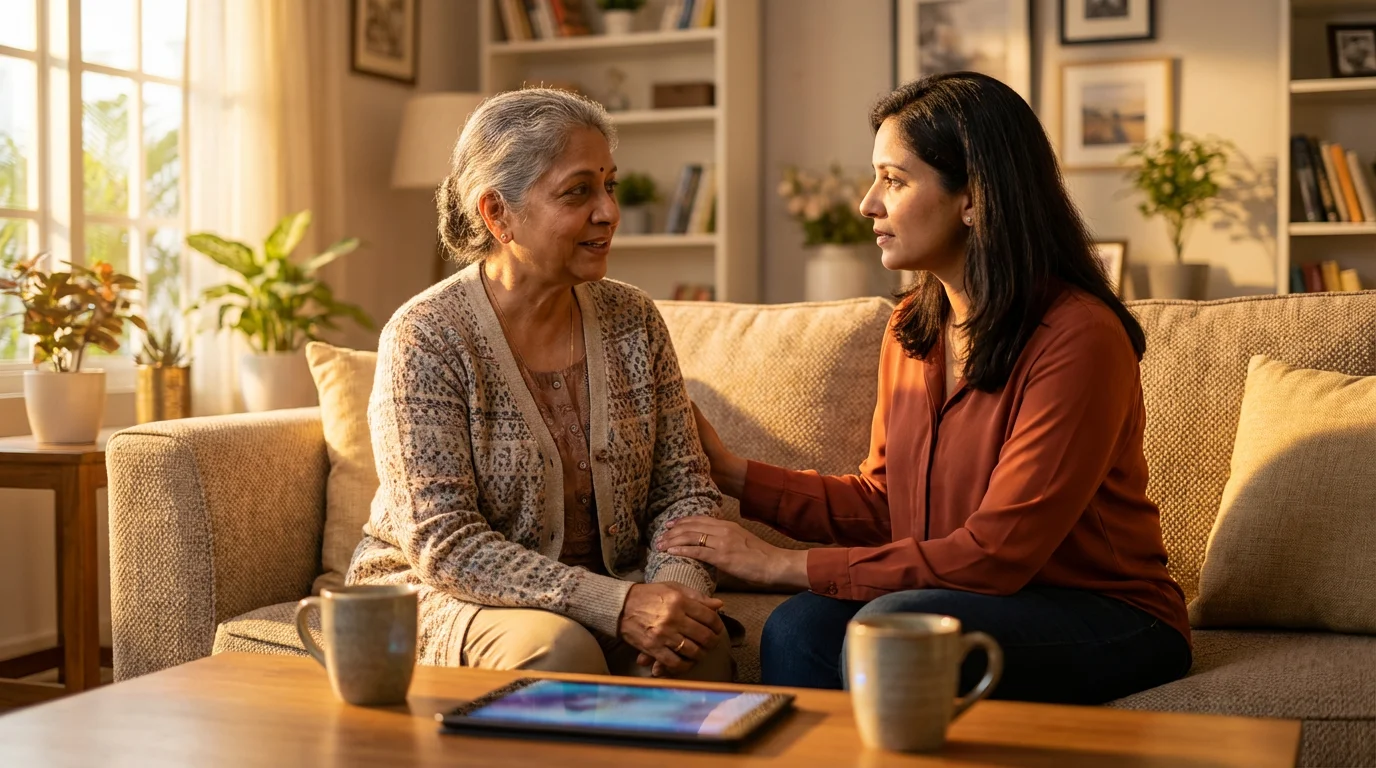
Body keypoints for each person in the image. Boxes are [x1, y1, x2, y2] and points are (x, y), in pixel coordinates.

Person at [656, 72, 1192, 703]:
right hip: (955, 597)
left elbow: (997, 553)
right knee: (800, 628)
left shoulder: (1079, 337)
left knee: (890, 626)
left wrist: (777, 564)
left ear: (974, 198)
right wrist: (734, 473)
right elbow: (886, 505)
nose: (867, 204)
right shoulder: (914, 326)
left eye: (894, 179)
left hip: (1108, 614)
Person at [348, 87, 730, 681]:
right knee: (559, 650)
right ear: (497, 213)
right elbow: (443, 542)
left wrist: (674, 595)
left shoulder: (635, 319)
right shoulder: (426, 337)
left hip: (615, 588)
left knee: (696, 647)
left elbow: (684, 490)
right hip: (446, 590)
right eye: (579, 191)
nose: (607, 211)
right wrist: (617, 605)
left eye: (610, 185)